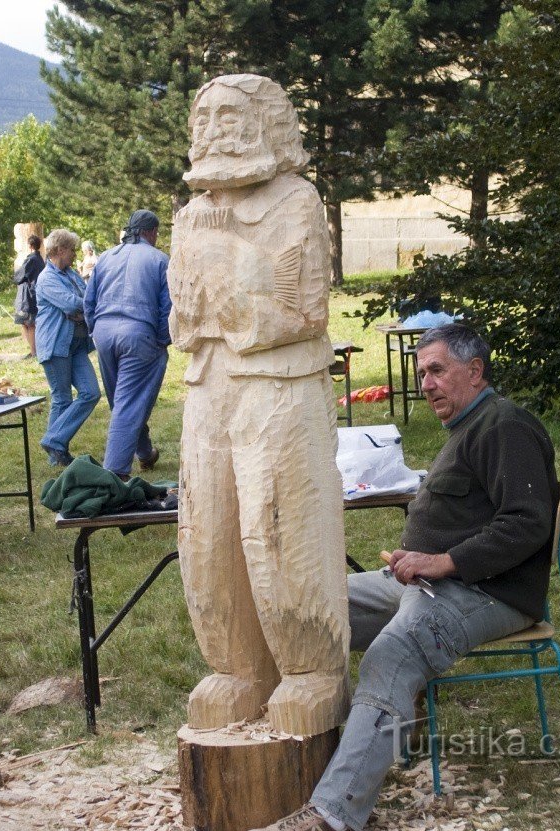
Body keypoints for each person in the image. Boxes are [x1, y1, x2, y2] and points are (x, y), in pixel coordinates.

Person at [241, 323, 560, 831]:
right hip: (431, 583)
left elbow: (528, 522)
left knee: (394, 651)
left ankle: (333, 817)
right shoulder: (470, 427)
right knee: (315, 606)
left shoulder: (505, 425)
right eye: (421, 373)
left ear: (475, 370)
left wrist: (443, 560)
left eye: (437, 370)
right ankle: (359, 736)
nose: (427, 383)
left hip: (489, 593)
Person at [168, 75, 349, 733]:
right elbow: (182, 315)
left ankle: (311, 671)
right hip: (208, 383)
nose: (215, 127)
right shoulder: (188, 214)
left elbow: (304, 308)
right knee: (207, 532)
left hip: (278, 383)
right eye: (205, 114)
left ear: (268, 124)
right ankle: (236, 666)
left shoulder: (295, 201)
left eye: (230, 114)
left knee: (280, 526)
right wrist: (207, 284)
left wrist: (225, 263)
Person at [84, 210, 171, 480]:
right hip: (138, 334)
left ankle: (145, 453)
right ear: (151, 232)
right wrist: (162, 340)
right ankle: (116, 472)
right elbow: (167, 307)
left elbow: (89, 302)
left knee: (122, 400)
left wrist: (95, 331)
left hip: (104, 333)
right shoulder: (159, 259)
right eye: (157, 233)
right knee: (129, 401)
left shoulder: (106, 256)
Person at [35, 230, 101, 466]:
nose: (74, 255)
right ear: (60, 250)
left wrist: (80, 312)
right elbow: (72, 302)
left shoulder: (70, 274)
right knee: (62, 399)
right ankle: (56, 455)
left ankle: (54, 441)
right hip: (55, 346)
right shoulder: (47, 279)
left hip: (76, 346)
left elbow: (87, 299)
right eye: (72, 250)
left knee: (91, 393)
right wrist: (80, 309)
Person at [13, 234, 45, 357]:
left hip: (28, 296)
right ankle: (33, 350)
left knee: (30, 324)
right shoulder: (40, 259)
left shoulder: (31, 259)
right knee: (25, 323)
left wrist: (16, 275)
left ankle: (34, 352)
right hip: (34, 294)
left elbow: (20, 276)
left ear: (30, 246)